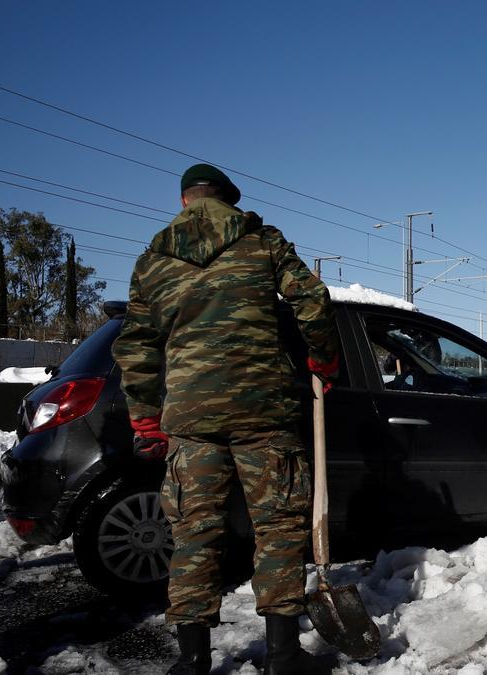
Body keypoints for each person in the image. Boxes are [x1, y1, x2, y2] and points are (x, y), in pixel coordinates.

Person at [112, 164, 340, 675]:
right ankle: (282, 655)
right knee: (278, 528)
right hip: (264, 408)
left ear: (183, 202)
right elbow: (312, 299)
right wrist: (322, 357)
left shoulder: (151, 261)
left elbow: (136, 347)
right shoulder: (261, 240)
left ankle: (192, 661)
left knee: (194, 532)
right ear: (229, 201)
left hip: (190, 414)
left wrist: (146, 420)